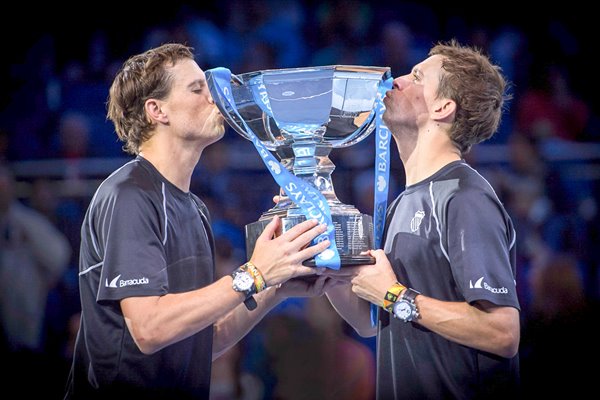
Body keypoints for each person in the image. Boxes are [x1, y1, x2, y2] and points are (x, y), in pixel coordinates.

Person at [64, 43, 332, 399]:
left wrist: (274, 287)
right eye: (197, 88)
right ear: (157, 110)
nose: (214, 98)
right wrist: (253, 274)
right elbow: (149, 329)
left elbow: (206, 342)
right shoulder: (128, 194)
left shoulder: (194, 208)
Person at [325, 40, 521, 399]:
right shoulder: (406, 200)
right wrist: (331, 271)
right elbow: (371, 323)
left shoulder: (464, 197)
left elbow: (502, 332)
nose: (396, 80)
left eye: (416, 77)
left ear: (443, 107)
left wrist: (395, 294)